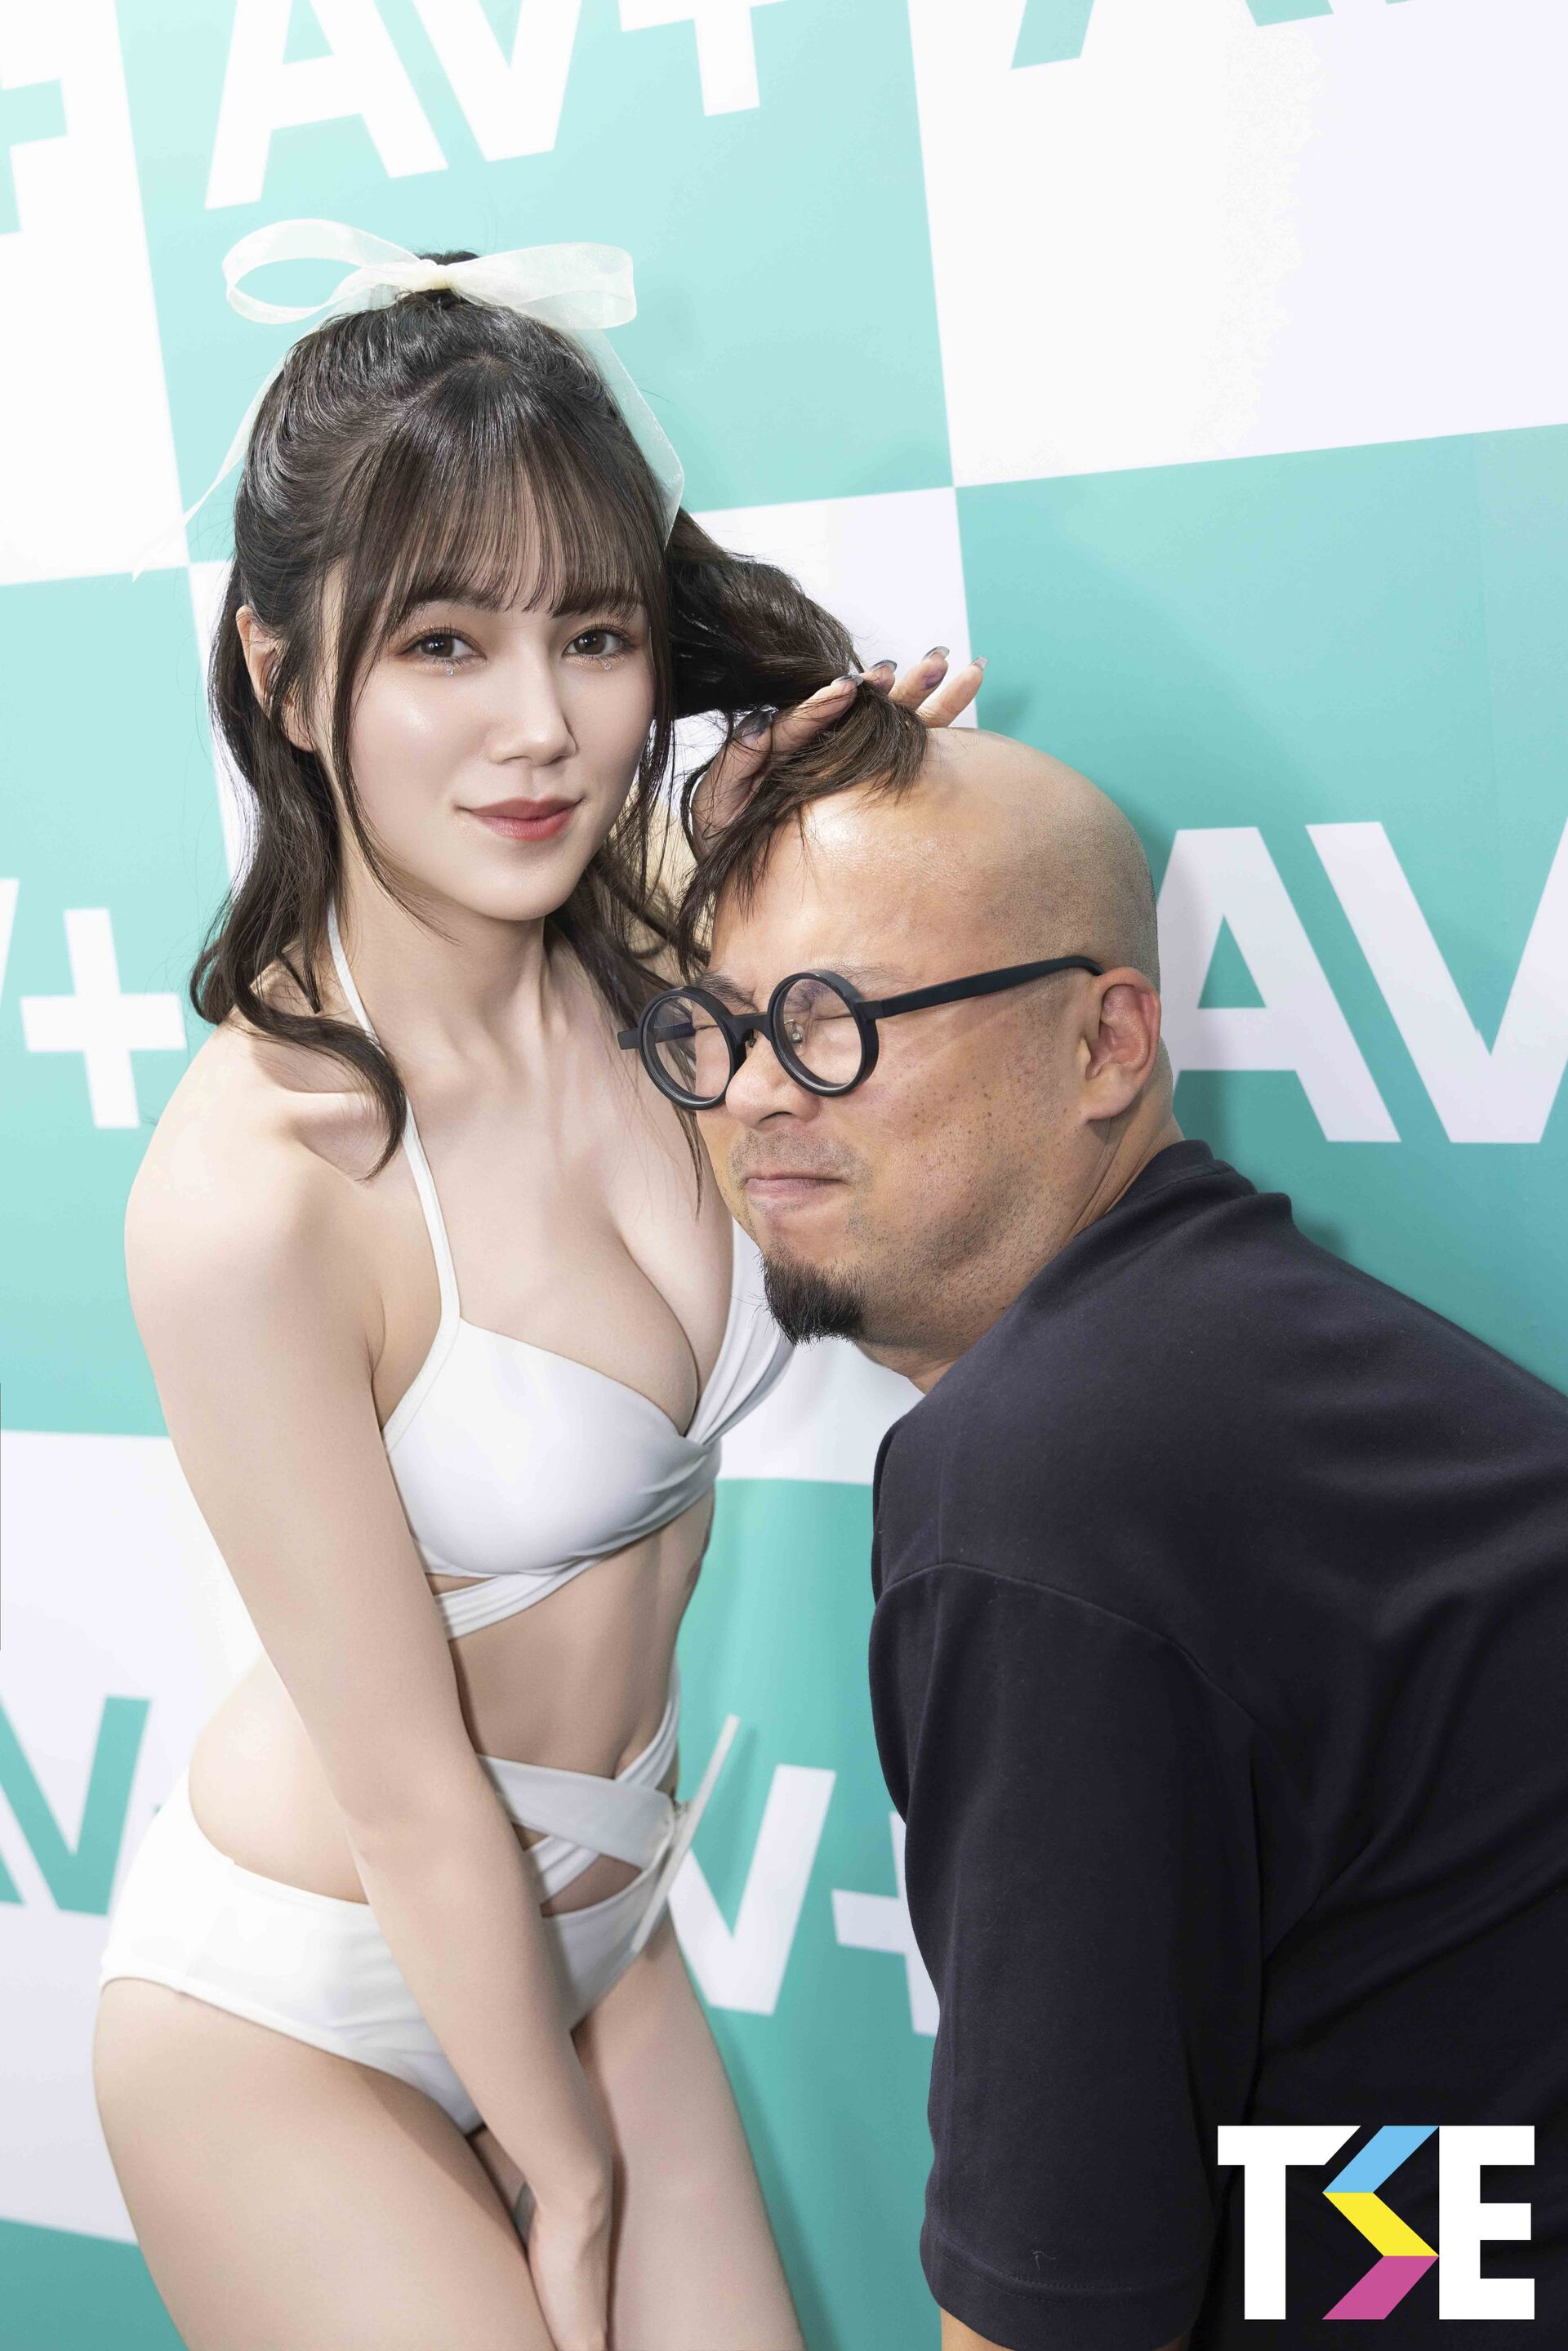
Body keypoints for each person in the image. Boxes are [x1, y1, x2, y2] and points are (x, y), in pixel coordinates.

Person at [91, 220, 980, 2351]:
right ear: (282, 676)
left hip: (600, 1939)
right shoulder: (258, 1195)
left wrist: (823, 834)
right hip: (301, 2005)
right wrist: (565, 2179)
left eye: (591, 635)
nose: (540, 730)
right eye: (442, 644)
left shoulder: (653, 952)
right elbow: (408, 1794)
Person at [640, 711, 1568, 2350]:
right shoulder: (1244, 1371)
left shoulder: (1049, 1480)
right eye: (717, 1029)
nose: (760, 1097)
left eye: (837, 1021)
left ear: (1108, 1042)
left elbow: (1057, 2305)